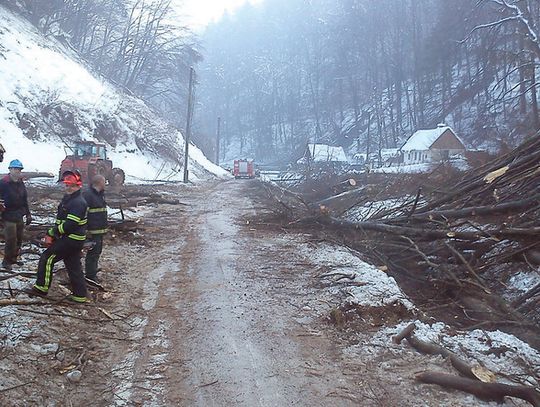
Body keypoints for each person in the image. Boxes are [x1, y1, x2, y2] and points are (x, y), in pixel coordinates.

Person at [26, 170, 89, 303]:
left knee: (47, 258)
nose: (68, 188)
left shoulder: (78, 202)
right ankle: (80, 295)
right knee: (73, 265)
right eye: (67, 185)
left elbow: (70, 224)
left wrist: (52, 233)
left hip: (71, 239)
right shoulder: (70, 199)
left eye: (71, 186)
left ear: (79, 186)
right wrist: (55, 234)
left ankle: (41, 288)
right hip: (71, 239)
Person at [0, 159, 32, 270]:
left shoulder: (20, 183)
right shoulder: (3, 183)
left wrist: (28, 213)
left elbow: (24, 198)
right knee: (11, 239)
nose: (17, 171)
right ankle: (6, 261)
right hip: (8, 215)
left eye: (19, 169)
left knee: (19, 238)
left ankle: (14, 258)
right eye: (15, 169)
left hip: (19, 214)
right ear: (10, 169)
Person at [82, 174, 107, 284]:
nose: (105, 184)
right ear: (99, 183)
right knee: (92, 254)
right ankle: (90, 276)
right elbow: (83, 214)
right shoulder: (88, 195)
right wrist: (85, 231)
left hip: (99, 231)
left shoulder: (100, 195)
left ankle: (92, 273)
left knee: (97, 253)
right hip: (92, 231)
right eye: (104, 182)